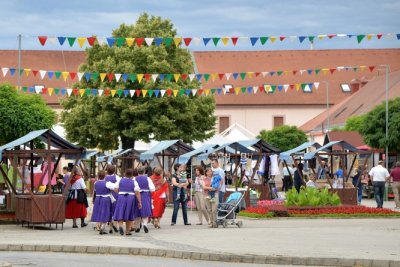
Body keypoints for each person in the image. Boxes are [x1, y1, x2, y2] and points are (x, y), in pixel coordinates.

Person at [113, 169, 142, 236]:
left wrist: (120, 193)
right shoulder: (134, 182)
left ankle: (120, 226)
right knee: (129, 213)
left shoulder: (120, 180)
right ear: (132, 175)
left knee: (121, 211)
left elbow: (115, 188)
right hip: (130, 197)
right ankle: (127, 231)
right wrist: (139, 202)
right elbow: (137, 193)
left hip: (121, 197)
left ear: (125, 174)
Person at [91, 170, 116, 235]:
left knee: (99, 212)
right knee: (105, 213)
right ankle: (102, 227)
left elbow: (95, 191)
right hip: (105, 199)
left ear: (98, 176)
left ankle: (101, 227)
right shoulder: (107, 183)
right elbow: (115, 188)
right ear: (105, 176)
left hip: (98, 198)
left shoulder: (95, 183)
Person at [134, 166, 155, 233]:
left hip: (137, 195)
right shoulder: (147, 178)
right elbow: (152, 188)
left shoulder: (135, 178)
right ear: (144, 171)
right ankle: (145, 224)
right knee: (145, 211)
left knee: (137, 211)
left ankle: (137, 226)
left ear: (137, 172)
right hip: (145, 195)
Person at [104, 165, 120, 233]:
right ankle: (115, 225)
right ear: (114, 170)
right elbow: (119, 185)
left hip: (108, 194)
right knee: (115, 210)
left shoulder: (105, 177)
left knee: (109, 210)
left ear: (107, 170)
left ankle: (110, 228)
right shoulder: (117, 177)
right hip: (115, 194)